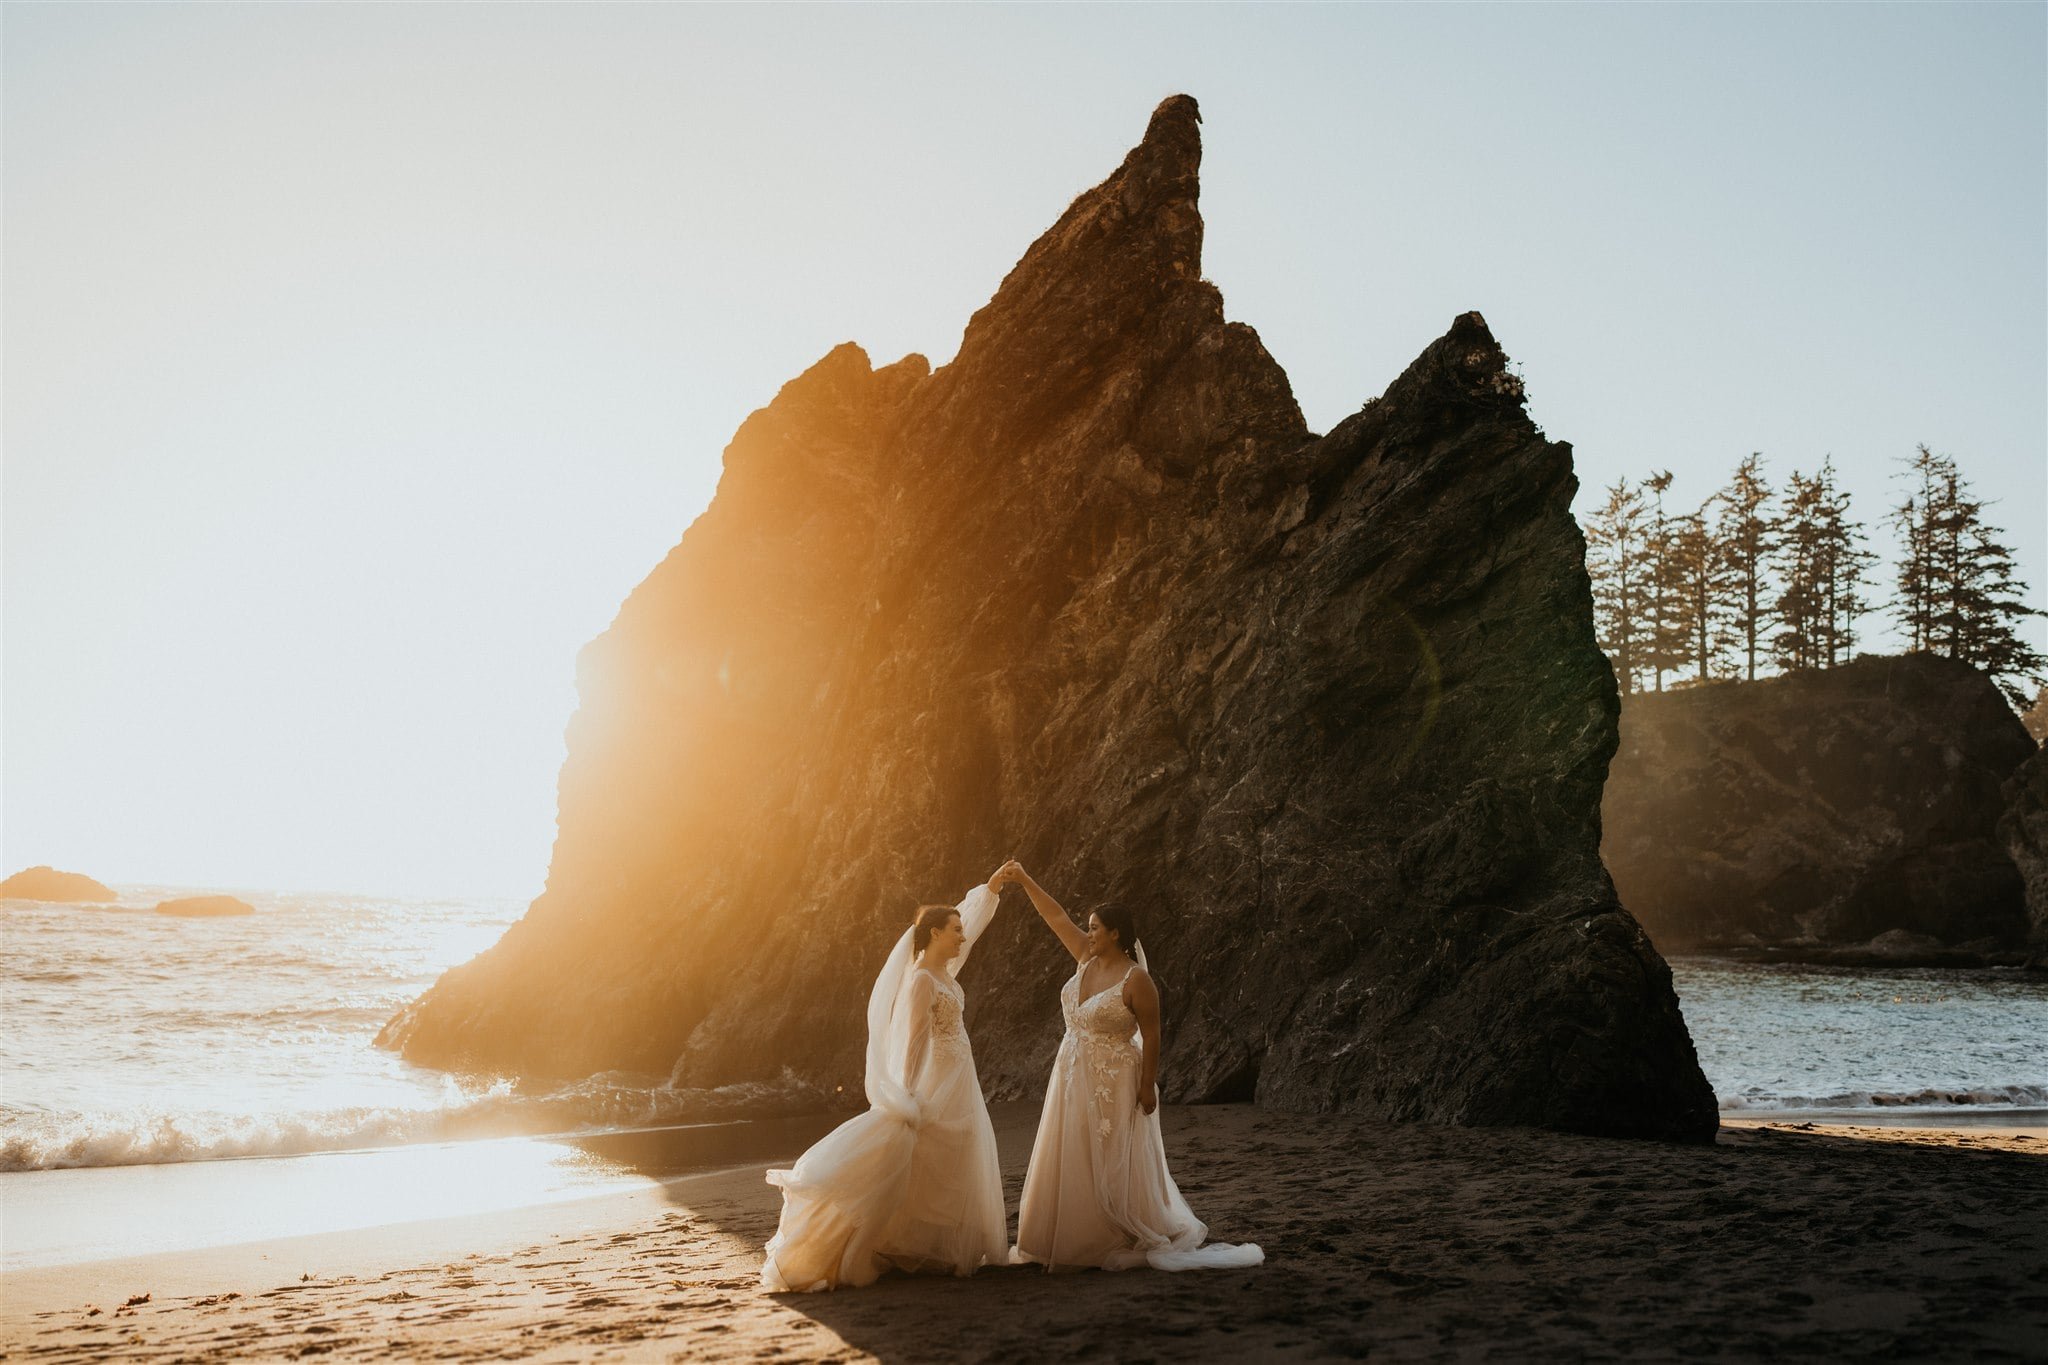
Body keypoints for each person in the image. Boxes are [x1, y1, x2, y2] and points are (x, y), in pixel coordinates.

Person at [996, 859, 1262, 1272]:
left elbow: (1153, 1035)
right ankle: (1061, 1237)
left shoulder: (1137, 980)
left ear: (1115, 933)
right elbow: (1055, 916)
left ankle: (1111, 1233)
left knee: (1110, 1153)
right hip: (1070, 1072)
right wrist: (1026, 879)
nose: (1089, 933)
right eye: (1089, 927)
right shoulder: (1084, 958)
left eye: (1096, 927)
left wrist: (1147, 1085)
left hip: (1115, 1076)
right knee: (1071, 1148)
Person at [760, 874, 1008, 1291]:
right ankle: (874, 1247)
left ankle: (941, 1248)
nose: (963, 937)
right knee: (921, 1154)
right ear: (935, 933)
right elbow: (913, 1042)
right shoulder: (921, 981)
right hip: (937, 1078)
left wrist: (992, 890)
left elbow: (972, 923)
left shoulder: (946, 973)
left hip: (960, 1075)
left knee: (955, 1153)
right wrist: (906, 1094)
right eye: (956, 931)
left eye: (963, 930)